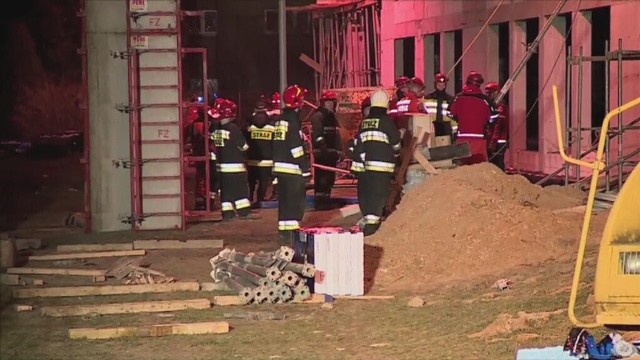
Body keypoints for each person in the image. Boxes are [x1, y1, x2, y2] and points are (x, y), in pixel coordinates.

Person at [351, 89, 401, 236]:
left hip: (366, 169)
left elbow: (357, 144)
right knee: (379, 196)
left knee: (368, 195)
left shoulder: (365, 122)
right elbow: (396, 142)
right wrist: (397, 154)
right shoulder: (387, 122)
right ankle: (373, 229)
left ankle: (368, 222)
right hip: (382, 168)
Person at [272, 84, 311, 245]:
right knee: (296, 203)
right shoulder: (293, 121)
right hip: (293, 169)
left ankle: (285, 233)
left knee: (285, 203)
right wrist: (305, 167)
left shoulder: (281, 120)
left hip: (281, 169)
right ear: (298, 102)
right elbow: (295, 148)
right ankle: (293, 234)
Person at [209, 98, 255, 221]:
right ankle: (244, 212)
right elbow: (244, 146)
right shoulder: (233, 129)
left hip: (221, 168)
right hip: (235, 168)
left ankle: (227, 214)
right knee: (240, 191)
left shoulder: (216, 129)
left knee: (226, 192)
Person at [448, 71, 498, 165]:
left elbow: (449, 114)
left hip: (461, 138)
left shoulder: (457, 98)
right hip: (479, 140)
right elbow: (494, 117)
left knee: (461, 166)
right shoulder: (485, 100)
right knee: (479, 167)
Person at [310, 90, 341, 210]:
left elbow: (336, 134)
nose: (331, 105)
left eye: (332, 103)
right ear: (323, 103)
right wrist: (324, 149)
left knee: (329, 179)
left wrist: (339, 151)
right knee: (322, 179)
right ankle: (320, 203)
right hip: (322, 154)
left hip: (330, 153)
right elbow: (318, 136)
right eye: (328, 103)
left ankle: (326, 201)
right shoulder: (318, 116)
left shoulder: (331, 117)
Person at [246, 96, 275, 204]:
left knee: (251, 182)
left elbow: (246, 140)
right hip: (267, 160)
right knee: (263, 182)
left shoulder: (249, 125)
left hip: (252, 159)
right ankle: (260, 200)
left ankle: (249, 198)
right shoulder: (272, 125)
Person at [484, 81, 509, 171]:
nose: (488, 95)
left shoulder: (500, 107)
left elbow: (498, 125)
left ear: (496, 92)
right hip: (493, 139)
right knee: (493, 163)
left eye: (489, 93)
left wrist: (493, 141)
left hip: (498, 141)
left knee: (497, 164)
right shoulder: (493, 105)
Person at [424, 73, 456, 138]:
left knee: (445, 147)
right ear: (435, 85)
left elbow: (452, 116)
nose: (441, 87)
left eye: (443, 85)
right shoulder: (427, 98)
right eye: (439, 85)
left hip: (446, 127)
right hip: (431, 126)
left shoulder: (450, 99)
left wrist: (455, 130)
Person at [267, 91, 282, 201]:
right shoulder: (285, 117)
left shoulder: (267, 116)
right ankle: (278, 193)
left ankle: (276, 193)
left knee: (275, 175)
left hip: (270, 150)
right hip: (281, 149)